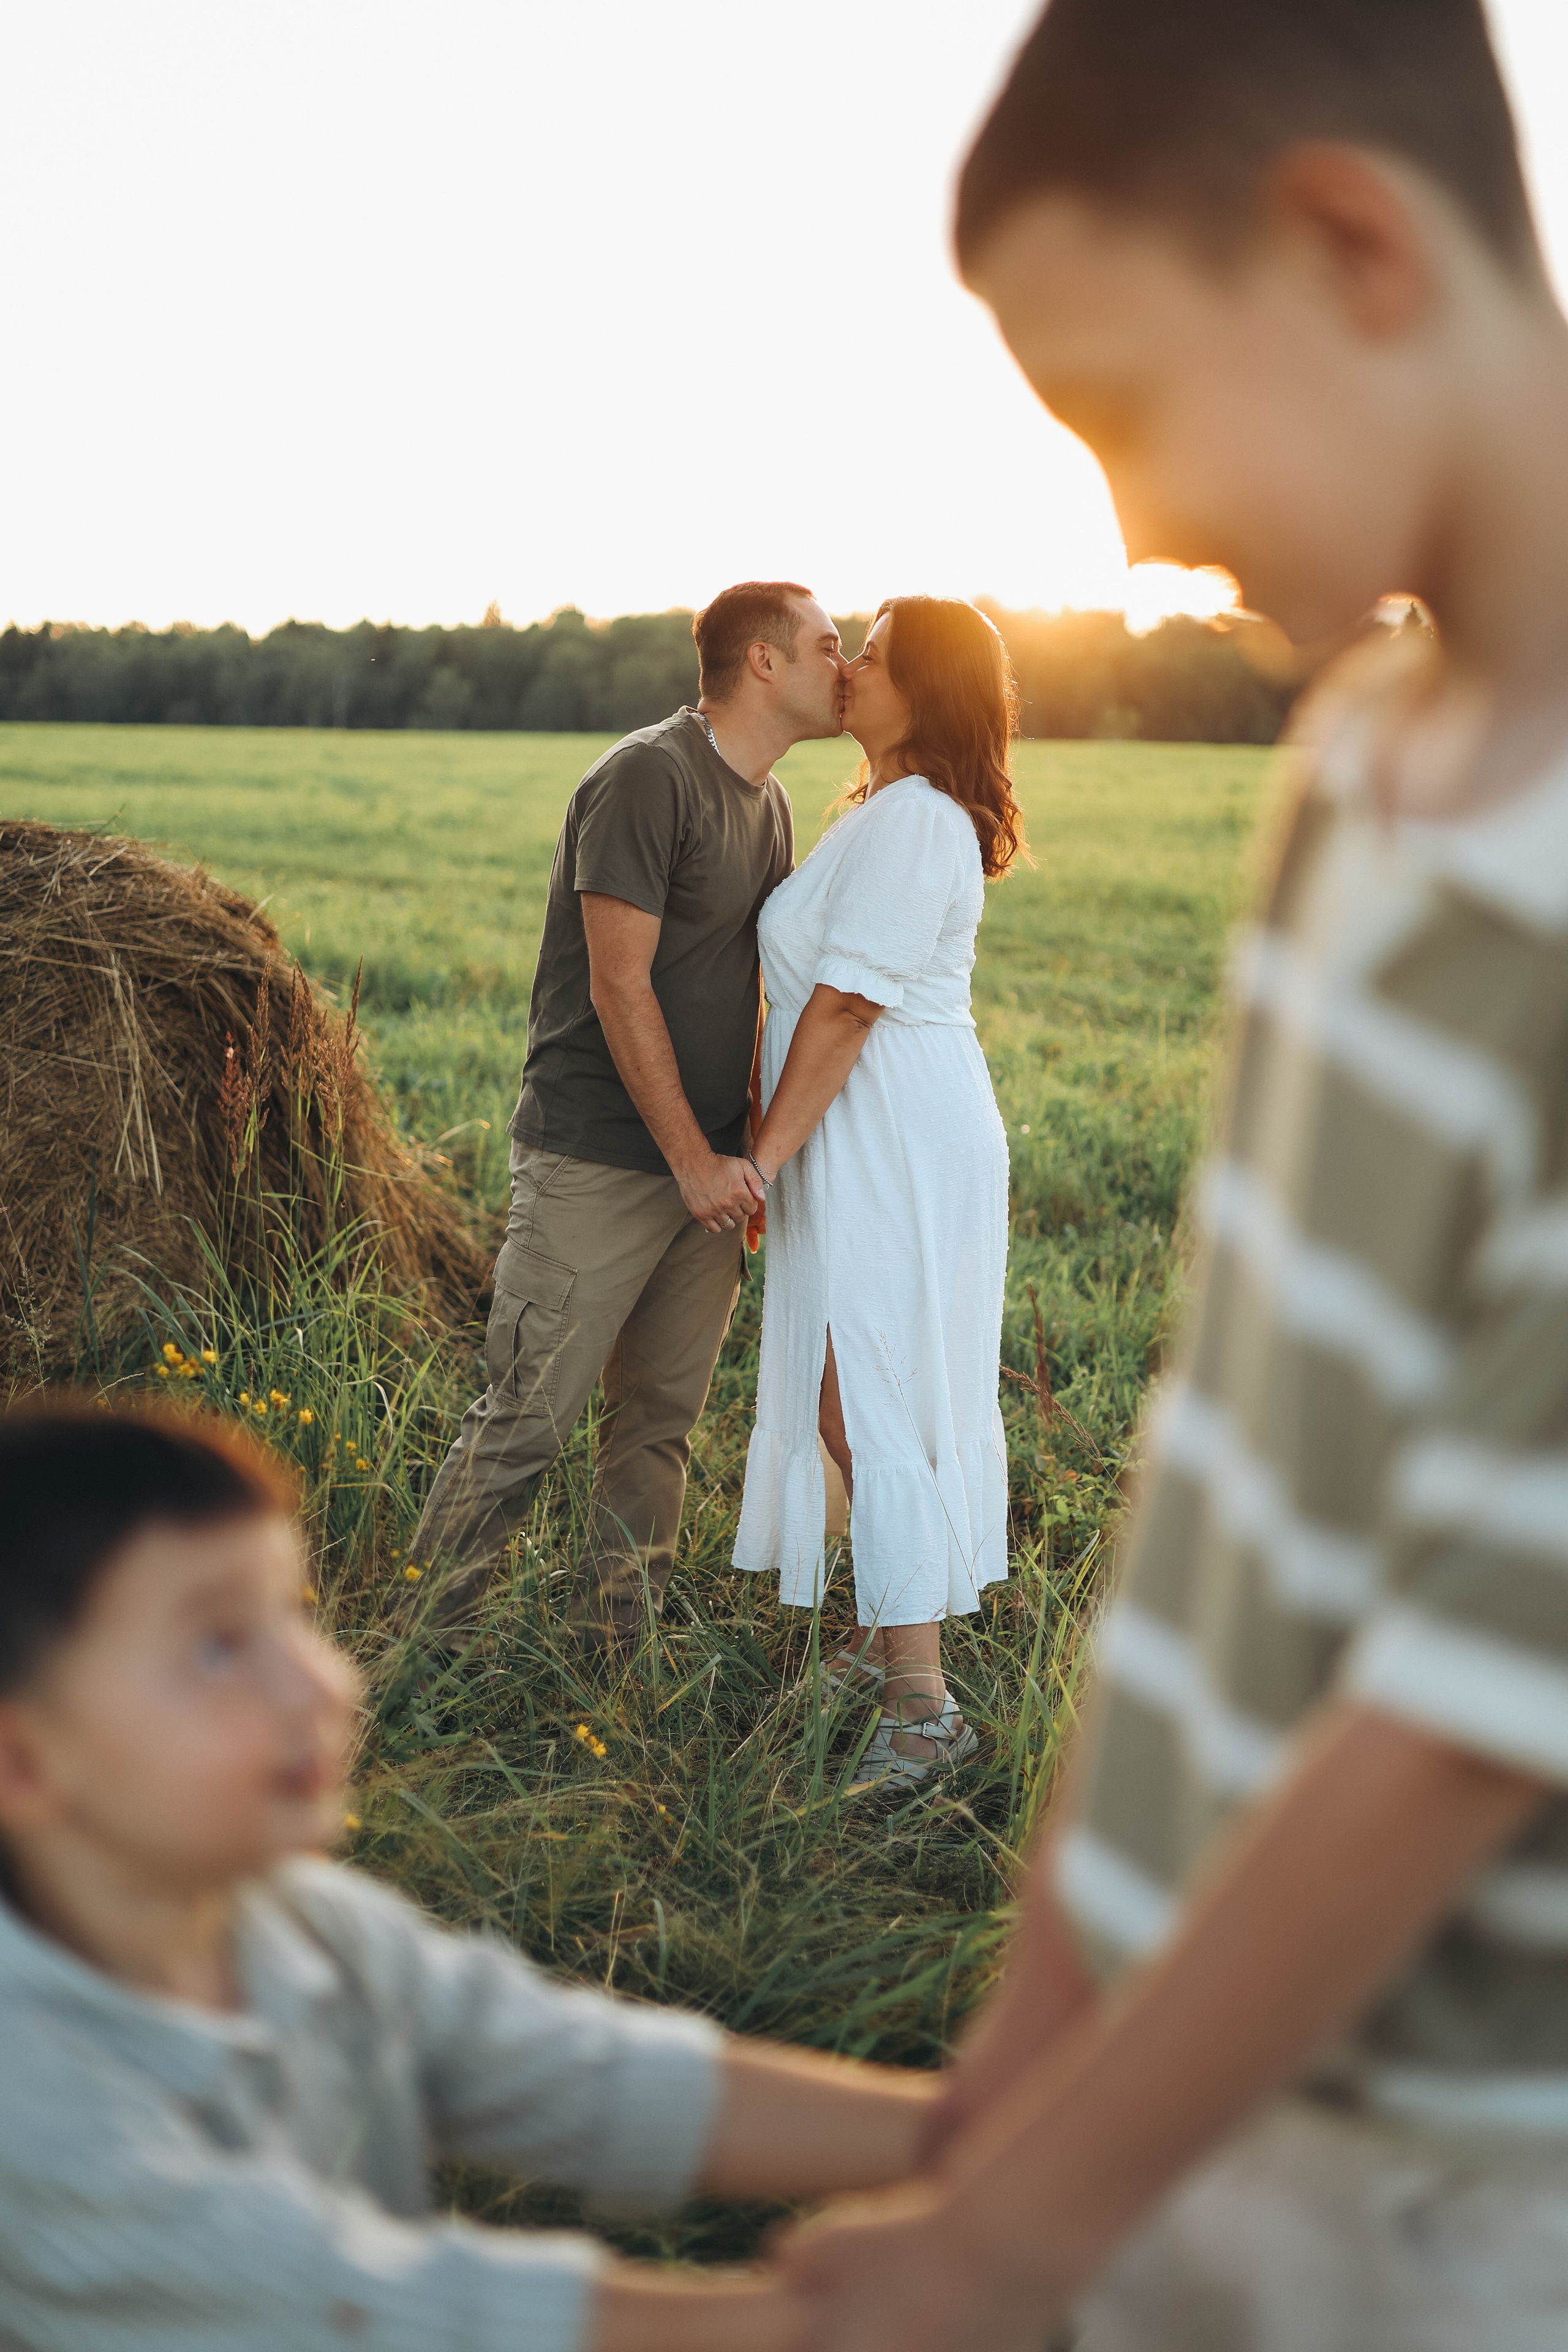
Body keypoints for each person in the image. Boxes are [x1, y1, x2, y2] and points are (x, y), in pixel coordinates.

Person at [779, 1, 1568, 2346]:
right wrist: (1033, 2051)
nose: (1124, 524)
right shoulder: (1358, 767)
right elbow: (1214, 1465)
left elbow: (1474, 1691)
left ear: (1350, 247)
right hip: (1167, 2081)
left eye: (1120, 407)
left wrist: (1027, 2231)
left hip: (1463, 2179)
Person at [0, 1399, 940, 2352]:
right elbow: (392, 2312)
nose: (326, 1685)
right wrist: (864, 2311)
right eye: (216, 1646)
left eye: (296, 1619)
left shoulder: (305, 1925)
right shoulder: (31, 2111)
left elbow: (583, 2078)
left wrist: (961, 2139)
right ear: (22, 1762)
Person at [412, 583, 846, 1640]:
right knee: (527, 1416)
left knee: (657, 1426)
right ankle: (417, 1654)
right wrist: (694, 1158)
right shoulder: (649, 776)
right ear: (764, 663)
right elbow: (620, 985)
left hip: (705, 1167)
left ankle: (611, 1649)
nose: (850, 663)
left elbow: (744, 989)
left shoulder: (772, 801)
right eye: (832, 644)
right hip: (600, 1160)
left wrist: (735, 1151)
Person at [733, 599, 1023, 1780]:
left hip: (892, 1132)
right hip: (855, 1126)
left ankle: (923, 1708)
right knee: (840, 1389)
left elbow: (849, 1005)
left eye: (876, 657)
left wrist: (762, 1158)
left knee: (871, 1397)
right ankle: (876, 1633)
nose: (847, 667)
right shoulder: (883, 810)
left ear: (931, 691)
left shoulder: (915, 820)